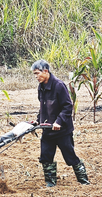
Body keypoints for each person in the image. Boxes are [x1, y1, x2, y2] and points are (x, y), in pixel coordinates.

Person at [31, 59, 90, 187]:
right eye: (34, 74)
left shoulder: (58, 85)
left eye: (37, 73)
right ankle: (50, 184)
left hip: (62, 130)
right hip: (48, 129)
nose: (36, 77)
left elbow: (68, 106)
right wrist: (37, 120)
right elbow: (43, 107)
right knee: (45, 156)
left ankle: (84, 181)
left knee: (70, 156)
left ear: (45, 71)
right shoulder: (41, 87)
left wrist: (58, 122)